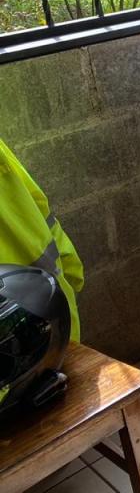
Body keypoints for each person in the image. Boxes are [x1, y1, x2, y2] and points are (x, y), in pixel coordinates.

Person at [0, 137, 85, 342]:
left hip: (42, 327)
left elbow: (40, 209)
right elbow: (39, 205)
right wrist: (72, 272)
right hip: (51, 322)